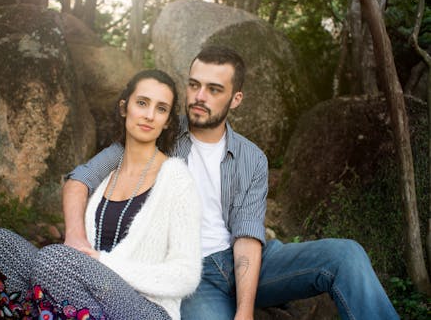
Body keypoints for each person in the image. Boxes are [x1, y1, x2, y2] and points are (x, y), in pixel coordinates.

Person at [63, 46, 400, 320]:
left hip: (254, 262)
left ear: (236, 99)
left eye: (214, 89)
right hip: (191, 274)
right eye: (194, 85)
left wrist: (244, 311)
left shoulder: (251, 158)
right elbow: (81, 178)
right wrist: (76, 239)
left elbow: (247, 235)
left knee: (345, 254)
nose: (199, 97)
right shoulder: (158, 129)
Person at [0, 69, 202, 320]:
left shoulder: (177, 178)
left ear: (168, 121)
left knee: (56, 260)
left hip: (147, 308)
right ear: (124, 108)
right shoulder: (106, 176)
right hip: (91, 296)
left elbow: (186, 275)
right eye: (142, 103)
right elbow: (76, 185)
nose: (149, 115)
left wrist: (103, 263)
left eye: (161, 109)